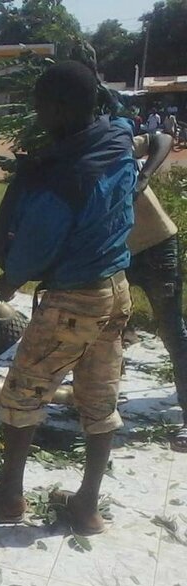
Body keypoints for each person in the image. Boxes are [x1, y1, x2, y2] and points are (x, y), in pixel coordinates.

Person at [0, 61, 136, 536]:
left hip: (73, 302)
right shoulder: (115, 138)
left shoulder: (64, 180)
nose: (36, 113)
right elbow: (123, 117)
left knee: (22, 394)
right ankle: (86, 507)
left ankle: (8, 496)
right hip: (116, 291)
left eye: (41, 106)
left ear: (59, 108)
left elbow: (35, 248)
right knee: (100, 398)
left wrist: (10, 280)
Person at [127, 131, 187, 452]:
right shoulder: (69, 152)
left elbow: (162, 138)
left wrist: (144, 176)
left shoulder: (114, 138)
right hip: (117, 253)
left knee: (172, 330)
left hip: (156, 244)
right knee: (105, 322)